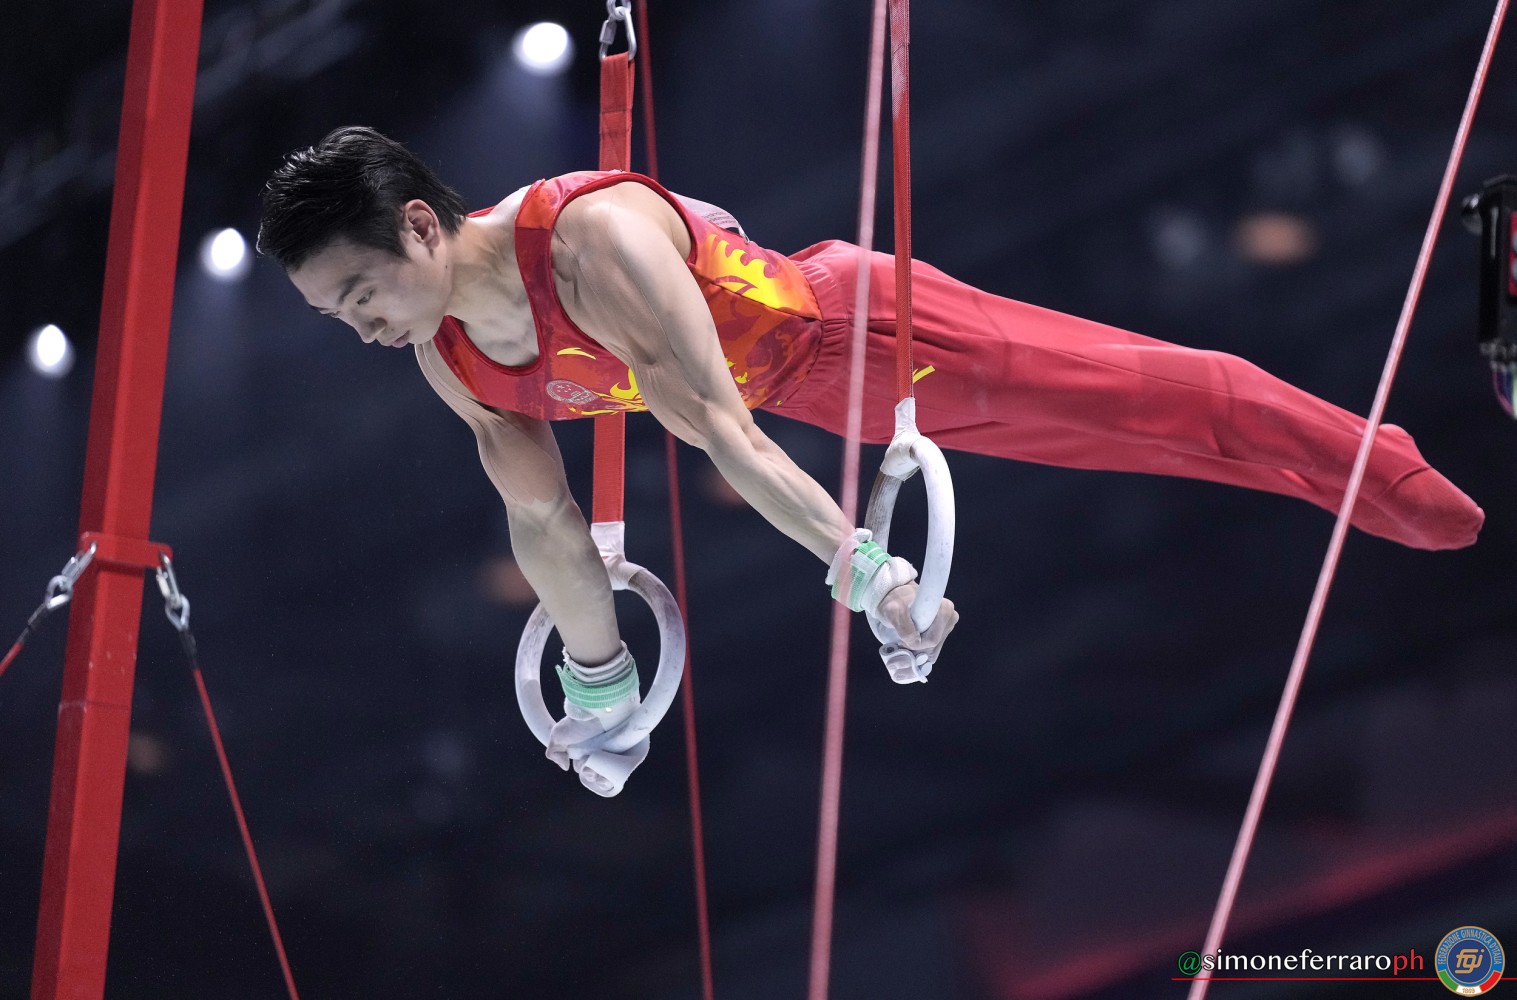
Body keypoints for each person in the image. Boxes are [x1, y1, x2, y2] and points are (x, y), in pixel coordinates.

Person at [257, 126, 1483, 795]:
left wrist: (871, 576)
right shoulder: (451, 359)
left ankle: (1367, 456)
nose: (361, 329)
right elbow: (546, 529)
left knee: (1147, 397)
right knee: (1132, 446)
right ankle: (1333, 476)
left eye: (360, 294)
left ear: (419, 226)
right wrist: (596, 686)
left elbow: (718, 431)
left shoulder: (589, 244)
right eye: (334, 316)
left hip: (867, 335)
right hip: (820, 407)